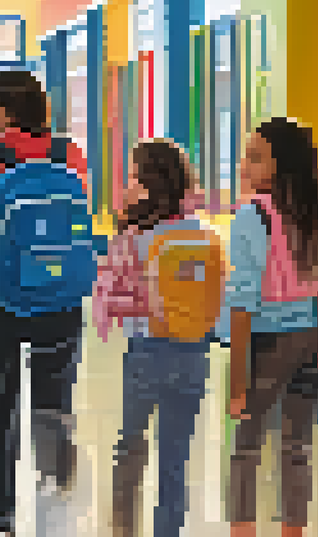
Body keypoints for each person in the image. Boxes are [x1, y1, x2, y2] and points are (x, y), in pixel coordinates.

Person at [0, 70, 90, 536]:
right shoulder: (68, 153)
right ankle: (55, 508)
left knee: (1, 404)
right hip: (60, 294)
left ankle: (1, 519)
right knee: (53, 405)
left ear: (4, 108)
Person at [227, 118, 318, 537]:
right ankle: (293, 532)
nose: (244, 165)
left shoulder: (252, 217)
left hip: (271, 341)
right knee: (297, 445)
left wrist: (236, 383)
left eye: (255, 157)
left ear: (280, 165)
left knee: (247, 444)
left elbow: (243, 304)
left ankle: (243, 530)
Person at [95, 140, 226, 537]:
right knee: (176, 459)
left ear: (150, 184)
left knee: (130, 449)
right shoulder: (204, 234)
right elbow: (217, 299)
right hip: (193, 355)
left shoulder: (135, 236)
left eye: (133, 176)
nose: (128, 184)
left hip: (146, 353)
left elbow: (111, 294)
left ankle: (123, 530)